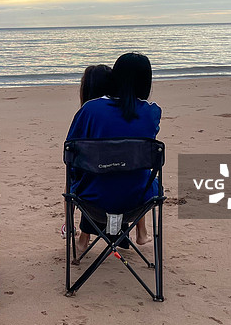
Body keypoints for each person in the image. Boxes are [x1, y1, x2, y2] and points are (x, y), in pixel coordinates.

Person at [66, 53, 161, 255]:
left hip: (92, 200)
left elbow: (70, 154)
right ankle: (141, 231)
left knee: (93, 173)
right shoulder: (152, 112)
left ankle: (81, 235)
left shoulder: (90, 110)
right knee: (138, 173)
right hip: (138, 201)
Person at [61, 65, 113, 239]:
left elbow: (69, 152)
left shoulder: (86, 113)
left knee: (76, 178)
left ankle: (69, 227)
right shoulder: (124, 114)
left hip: (91, 193)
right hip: (133, 195)